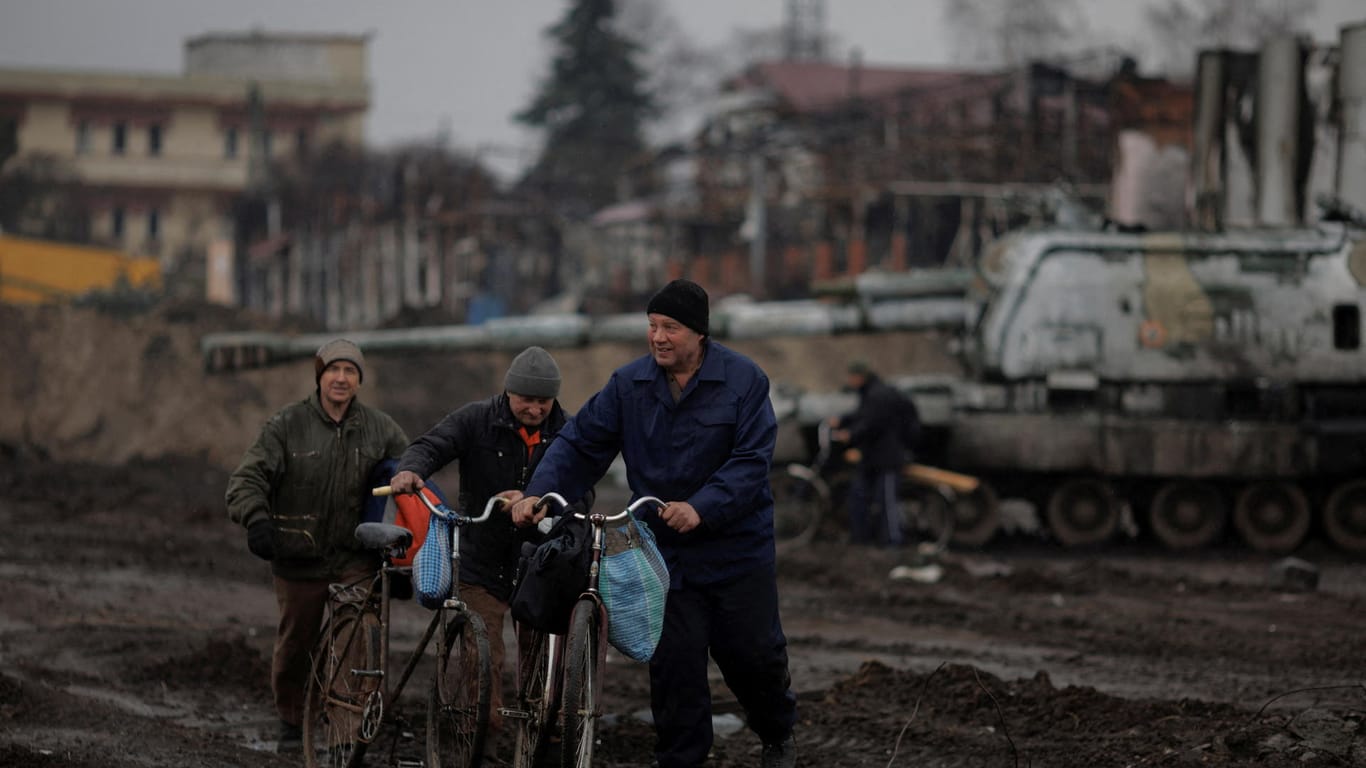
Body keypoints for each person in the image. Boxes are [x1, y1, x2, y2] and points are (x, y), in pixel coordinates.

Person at [509, 279, 798, 768]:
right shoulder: (629, 386)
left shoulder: (744, 381)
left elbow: (751, 461)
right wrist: (540, 492)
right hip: (665, 555)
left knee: (753, 657)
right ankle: (680, 760)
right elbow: (582, 443)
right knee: (675, 668)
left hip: (737, 551)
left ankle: (776, 734)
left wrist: (702, 506)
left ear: (699, 333)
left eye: (671, 327)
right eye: (653, 325)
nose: (659, 337)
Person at [386, 345, 590, 750]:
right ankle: (480, 736)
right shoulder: (476, 420)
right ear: (508, 393)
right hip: (481, 558)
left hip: (538, 561)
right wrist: (411, 469)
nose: (535, 409)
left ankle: (542, 729)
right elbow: (432, 445)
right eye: (526, 400)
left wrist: (544, 503)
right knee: (484, 657)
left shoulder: (567, 430)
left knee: (541, 655)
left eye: (543, 401)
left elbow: (582, 489)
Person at [225, 339, 409, 753]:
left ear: (359, 381)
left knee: (354, 642)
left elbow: (413, 476)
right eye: (333, 370)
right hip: (298, 557)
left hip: (355, 558)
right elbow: (246, 480)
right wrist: (256, 519)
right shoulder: (286, 425)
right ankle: (292, 721)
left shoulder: (380, 427)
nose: (341, 379)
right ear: (320, 376)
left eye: (350, 372)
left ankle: (344, 729)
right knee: (297, 645)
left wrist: (405, 551)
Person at [831, 359, 921, 547]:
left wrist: (850, 434)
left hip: (887, 459)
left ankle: (893, 542)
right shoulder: (871, 393)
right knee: (858, 495)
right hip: (872, 458)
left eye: (852, 377)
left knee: (887, 501)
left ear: (859, 376)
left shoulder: (878, 395)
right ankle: (862, 538)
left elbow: (871, 423)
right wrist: (841, 420)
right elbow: (862, 415)